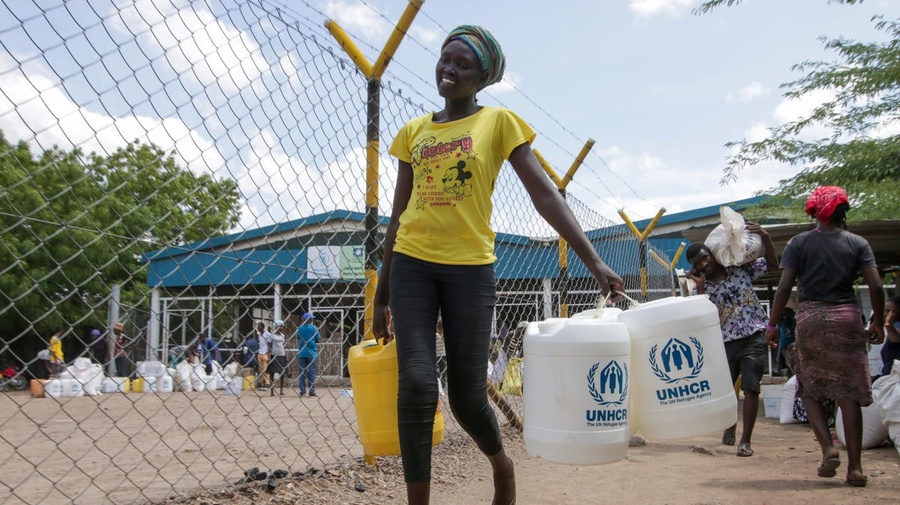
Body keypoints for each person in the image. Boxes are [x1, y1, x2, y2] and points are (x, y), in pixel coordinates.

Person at [372, 25, 624, 505]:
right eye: (446, 59)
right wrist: (381, 296)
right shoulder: (413, 133)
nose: (449, 69)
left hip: (470, 269)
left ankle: (502, 469)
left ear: (483, 77)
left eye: (462, 64)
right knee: (418, 385)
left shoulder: (499, 122)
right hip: (412, 265)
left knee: (468, 398)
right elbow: (398, 216)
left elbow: (545, 195)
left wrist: (592, 259)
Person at [764, 186, 884, 488]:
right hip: (847, 317)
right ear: (844, 212)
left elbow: (784, 287)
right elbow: (877, 287)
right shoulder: (858, 243)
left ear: (813, 212)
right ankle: (855, 468)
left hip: (811, 318)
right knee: (848, 394)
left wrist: (773, 323)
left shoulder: (798, 243)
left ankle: (828, 448)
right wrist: (878, 322)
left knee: (808, 386)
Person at [685, 218, 777, 458]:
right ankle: (730, 426)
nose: (704, 264)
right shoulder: (705, 287)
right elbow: (705, 314)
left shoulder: (740, 268)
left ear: (713, 254)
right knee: (726, 389)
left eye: (705, 258)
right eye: (698, 264)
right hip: (725, 342)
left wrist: (765, 237)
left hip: (753, 336)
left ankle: (745, 441)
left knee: (751, 387)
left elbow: (773, 266)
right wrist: (700, 287)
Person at [296, 313, 320, 397]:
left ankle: (303, 391)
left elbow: (298, 338)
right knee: (311, 372)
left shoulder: (299, 329)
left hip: (302, 352)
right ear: (310, 320)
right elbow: (318, 339)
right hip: (312, 352)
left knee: (302, 372)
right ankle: (312, 391)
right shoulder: (314, 328)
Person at [877, 295, 900, 378]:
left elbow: (897, 338)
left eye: (889, 311)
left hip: (894, 379)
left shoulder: (897, 325)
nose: (884, 313)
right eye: (884, 310)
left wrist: (890, 328)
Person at [268, 320, 287, 396]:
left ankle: (281, 390)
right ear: (277, 327)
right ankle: (272, 391)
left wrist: (286, 356)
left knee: (282, 373)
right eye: (280, 326)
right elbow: (270, 345)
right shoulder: (272, 335)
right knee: (272, 373)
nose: (282, 328)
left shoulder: (282, 335)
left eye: (282, 326)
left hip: (281, 355)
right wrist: (269, 355)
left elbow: (283, 346)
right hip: (274, 355)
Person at [255, 321, 272, 387]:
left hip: (265, 353)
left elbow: (270, 344)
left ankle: (267, 383)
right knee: (261, 369)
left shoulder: (267, 334)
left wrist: (269, 353)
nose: (259, 328)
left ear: (263, 327)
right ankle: (263, 382)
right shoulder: (259, 335)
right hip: (260, 353)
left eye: (260, 327)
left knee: (265, 369)